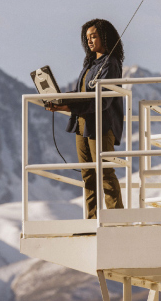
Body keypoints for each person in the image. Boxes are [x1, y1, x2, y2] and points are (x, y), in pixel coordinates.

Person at [46, 18, 124, 219]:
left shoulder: (111, 63)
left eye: (94, 36)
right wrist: (61, 99)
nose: (90, 41)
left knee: (105, 172)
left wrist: (68, 105)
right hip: (82, 123)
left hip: (101, 124)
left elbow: (102, 99)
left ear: (104, 37)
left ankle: (116, 218)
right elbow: (83, 93)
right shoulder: (89, 64)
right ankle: (91, 219)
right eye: (87, 37)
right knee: (88, 174)